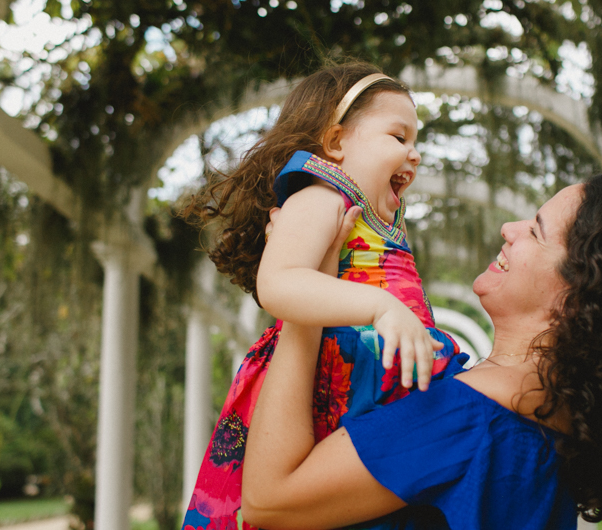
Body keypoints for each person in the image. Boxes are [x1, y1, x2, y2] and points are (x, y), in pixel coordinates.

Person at [242, 174, 602, 530]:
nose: (509, 228)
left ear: (576, 296)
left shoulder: (466, 423)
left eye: (536, 232)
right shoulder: (545, 434)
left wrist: (307, 296)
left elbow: (268, 499)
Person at [181, 62, 465, 529]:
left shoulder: (377, 213)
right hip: (325, 385)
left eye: (416, 143)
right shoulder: (321, 197)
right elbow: (280, 282)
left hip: (366, 389)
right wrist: (382, 308)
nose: (413, 155)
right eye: (399, 138)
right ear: (335, 143)